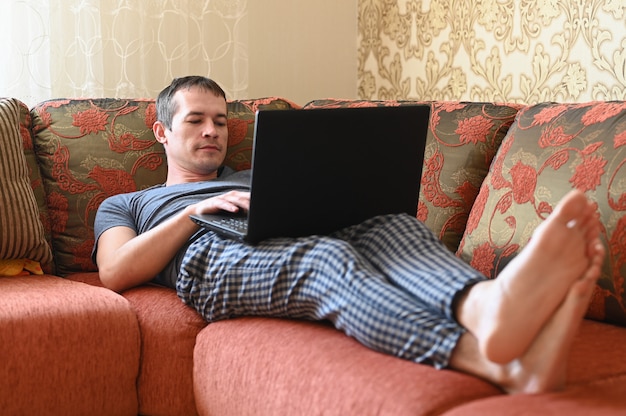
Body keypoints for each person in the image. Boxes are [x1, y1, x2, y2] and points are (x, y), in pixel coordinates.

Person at [93, 76, 605, 394]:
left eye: (221, 122)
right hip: (208, 255)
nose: (212, 131)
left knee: (393, 223)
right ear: (161, 131)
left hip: (284, 233)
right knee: (326, 260)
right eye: (196, 120)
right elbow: (115, 272)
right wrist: (198, 211)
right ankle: (498, 364)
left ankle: (487, 305)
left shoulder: (259, 176)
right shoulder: (129, 203)